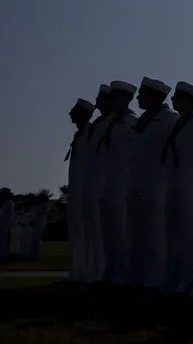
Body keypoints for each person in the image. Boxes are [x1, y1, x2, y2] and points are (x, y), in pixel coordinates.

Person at [127, 77, 177, 289]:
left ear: (155, 97)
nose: (138, 98)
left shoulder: (168, 119)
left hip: (159, 182)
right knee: (139, 234)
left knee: (157, 233)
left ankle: (157, 280)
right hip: (139, 182)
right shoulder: (144, 120)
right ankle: (141, 278)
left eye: (142, 94)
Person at [164, 81, 193, 294]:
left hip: (190, 180)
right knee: (177, 232)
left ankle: (192, 278)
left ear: (189, 101)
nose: (173, 101)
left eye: (177, 98)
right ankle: (179, 277)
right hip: (176, 180)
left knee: (190, 231)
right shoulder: (179, 123)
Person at [98, 80, 138, 284]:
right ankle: (112, 271)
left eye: (116, 97)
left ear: (126, 99)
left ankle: (124, 273)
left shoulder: (131, 122)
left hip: (124, 182)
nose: (112, 101)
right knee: (110, 230)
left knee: (122, 230)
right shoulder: (113, 122)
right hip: (110, 181)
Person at [82, 84, 112, 282]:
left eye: (100, 98)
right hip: (93, 181)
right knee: (93, 230)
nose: (96, 101)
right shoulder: (99, 124)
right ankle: (93, 271)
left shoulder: (114, 123)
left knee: (107, 231)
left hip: (107, 182)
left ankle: (105, 272)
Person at [65, 98, 96, 281]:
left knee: (88, 231)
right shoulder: (80, 133)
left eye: (74, 111)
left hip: (87, 186)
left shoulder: (91, 132)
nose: (70, 114)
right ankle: (77, 272)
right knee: (76, 230)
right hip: (77, 187)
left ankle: (89, 272)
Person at [0, 188, 14, 259]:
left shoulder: (9, 204)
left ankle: (3, 256)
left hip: (4, 225)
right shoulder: (3, 204)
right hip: (0, 225)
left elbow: (5, 215)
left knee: (3, 241)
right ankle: (0, 255)